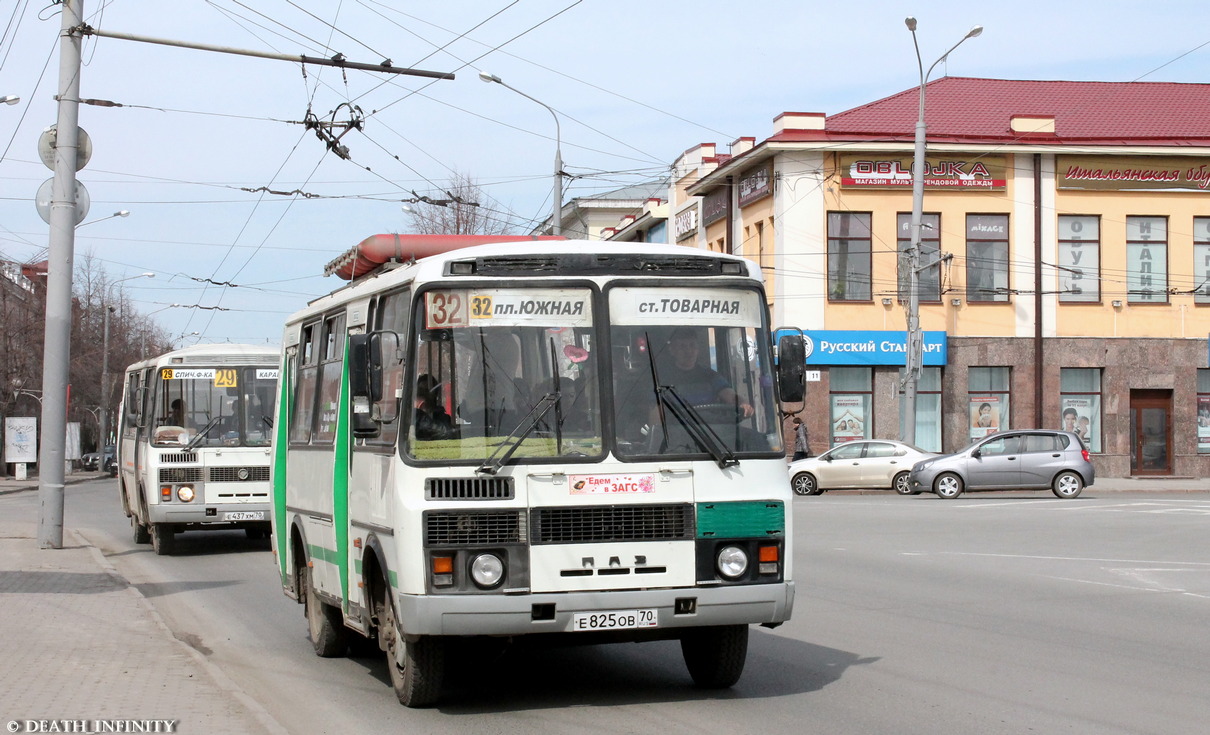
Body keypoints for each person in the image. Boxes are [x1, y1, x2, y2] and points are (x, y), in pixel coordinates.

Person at [659, 328, 754, 417]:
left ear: (698, 349)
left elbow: (731, 397)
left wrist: (742, 404)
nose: (688, 351)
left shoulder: (710, 376)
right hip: (677, 432)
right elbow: (656, 414)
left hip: (710, 432)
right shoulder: (663, 379)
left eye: (692, 345)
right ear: (672, 350)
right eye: (682, 346)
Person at [414, 374, 453, 440]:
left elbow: (445, 433)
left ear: (434, 395)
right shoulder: (411, 418)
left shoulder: (442, 418)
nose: (424, 395)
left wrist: (419, 415)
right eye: (420, 391)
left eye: (426, 391)